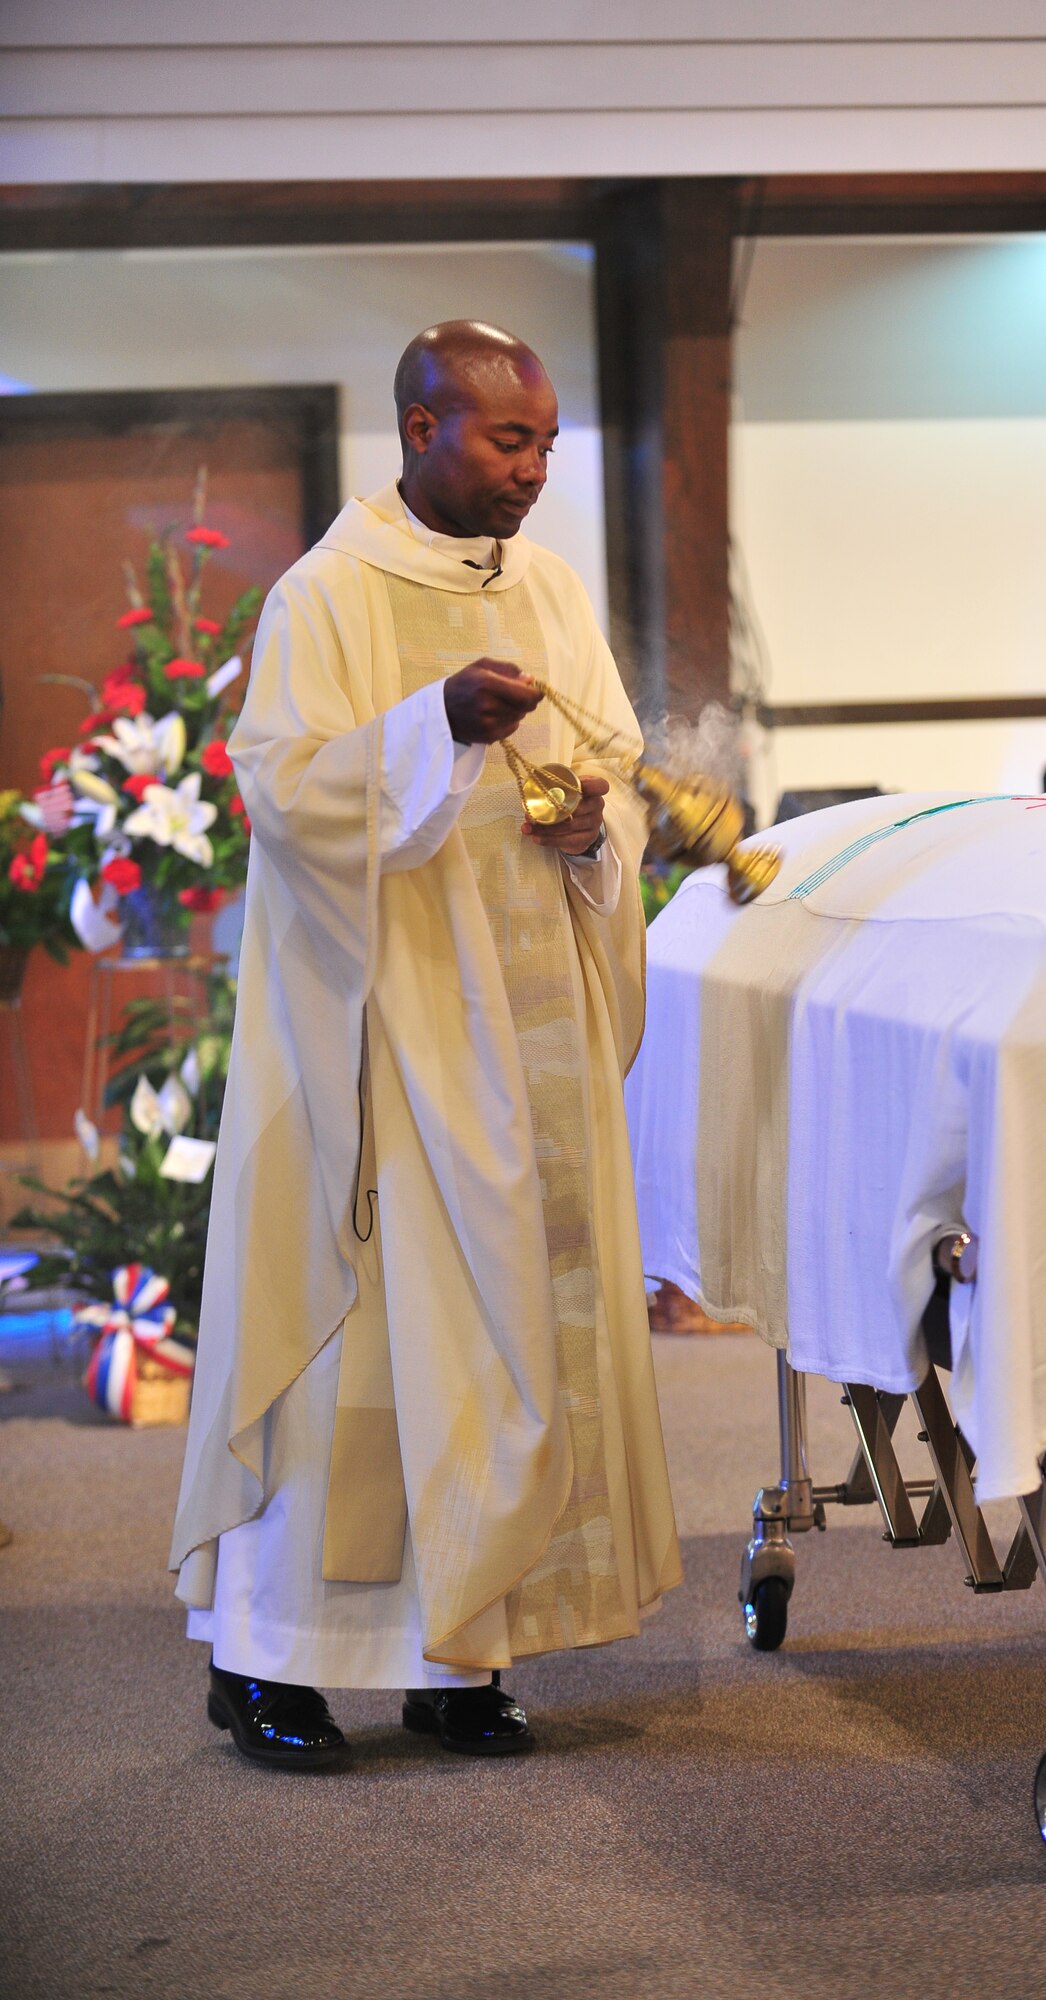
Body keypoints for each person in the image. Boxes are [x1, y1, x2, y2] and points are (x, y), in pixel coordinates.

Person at [170, 321, 682, 1767]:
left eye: (544, 444)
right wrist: (430, 726)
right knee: (360, 1345)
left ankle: (463, 1657)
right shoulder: (325, 595)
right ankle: (272, 1664)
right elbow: (282, 792)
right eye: (505, 440)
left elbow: (610, 771)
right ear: (418, 429)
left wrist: (594, 826)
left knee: (508, 1337)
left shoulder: (551, 589)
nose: (531, 471)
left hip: (524, 1047)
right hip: (385, 1034)